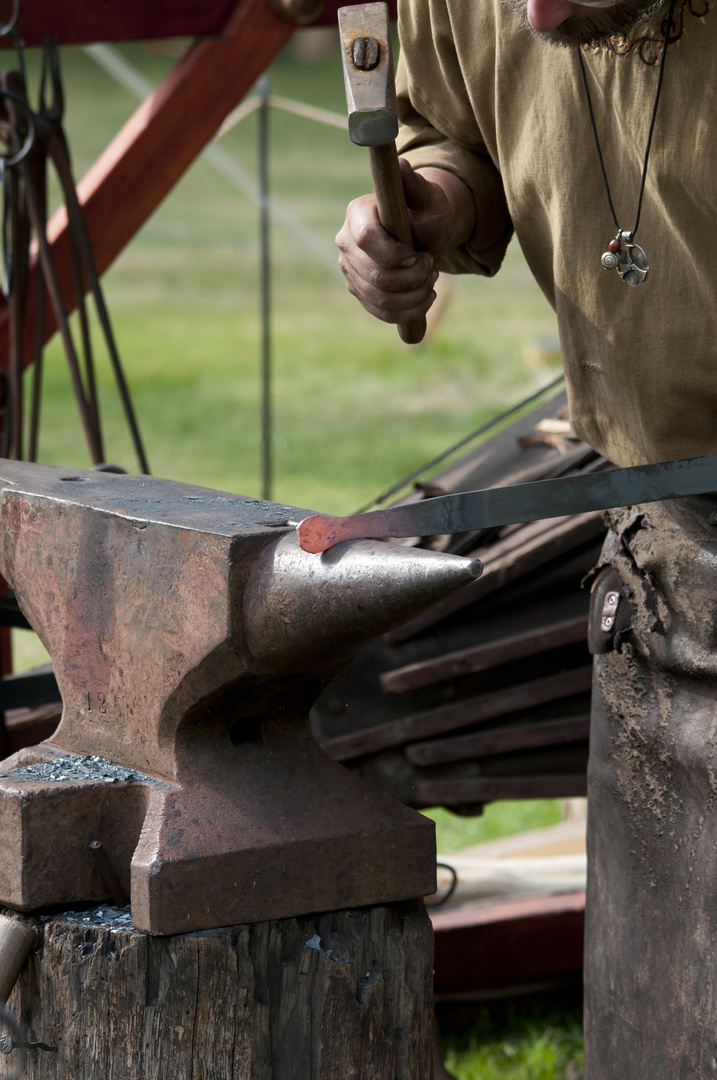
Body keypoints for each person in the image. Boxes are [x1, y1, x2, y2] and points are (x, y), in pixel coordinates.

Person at [337, 2, 717, 1076]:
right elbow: (449, 121)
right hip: (668, 540)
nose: (537, 15)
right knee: (665, 1031)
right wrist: (423, 205)